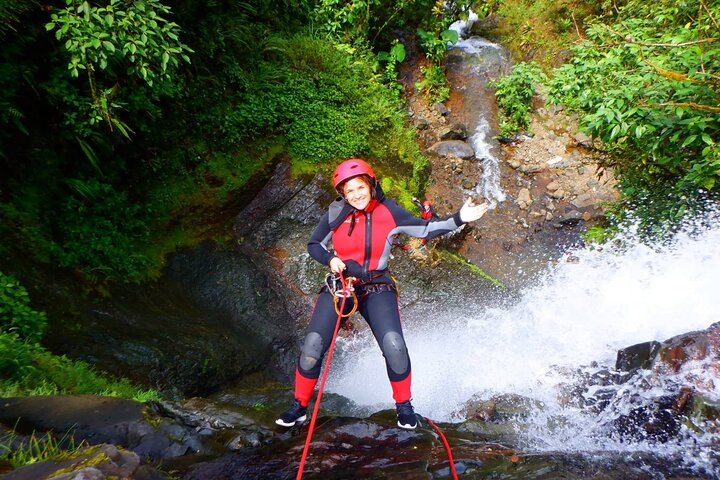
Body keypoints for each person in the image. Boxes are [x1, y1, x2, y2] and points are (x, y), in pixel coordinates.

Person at [275, 158, 489, 430]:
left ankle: (404, 407)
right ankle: (299, 407)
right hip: (341, 285)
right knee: (312, 344)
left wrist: (460, 218)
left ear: (371, 184)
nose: (355, 195)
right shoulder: (335, 212)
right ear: (342, 193)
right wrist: (330, 259)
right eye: (348, 190)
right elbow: (314, 244)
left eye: (359, 187)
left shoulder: (389, 211)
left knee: (394, 345)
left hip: (377, 286)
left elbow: (425, 229)